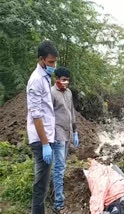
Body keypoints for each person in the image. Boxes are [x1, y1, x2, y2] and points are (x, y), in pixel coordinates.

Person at [26, 40, 58, 214]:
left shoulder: (45, 78)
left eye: (55, 61)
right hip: (40, 140)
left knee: (44, 184)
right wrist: (45, 144)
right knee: (41, 186)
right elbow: (36, 116)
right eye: (51, 62)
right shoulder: (36, 81)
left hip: (46, 137)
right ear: (41, 59)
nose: (53, 65)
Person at [51, 67, 79, 213]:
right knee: (59, 167)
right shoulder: (52, 93)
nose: (66, 82)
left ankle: (54, 190)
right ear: (57, 79)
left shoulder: (68, 93)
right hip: (57, 134)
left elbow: (72, 111)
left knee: (61, 166)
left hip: (68, 133)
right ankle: (58, 203)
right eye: (63, 79)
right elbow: (48, 116)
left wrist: (75, 131)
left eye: (67, 80)